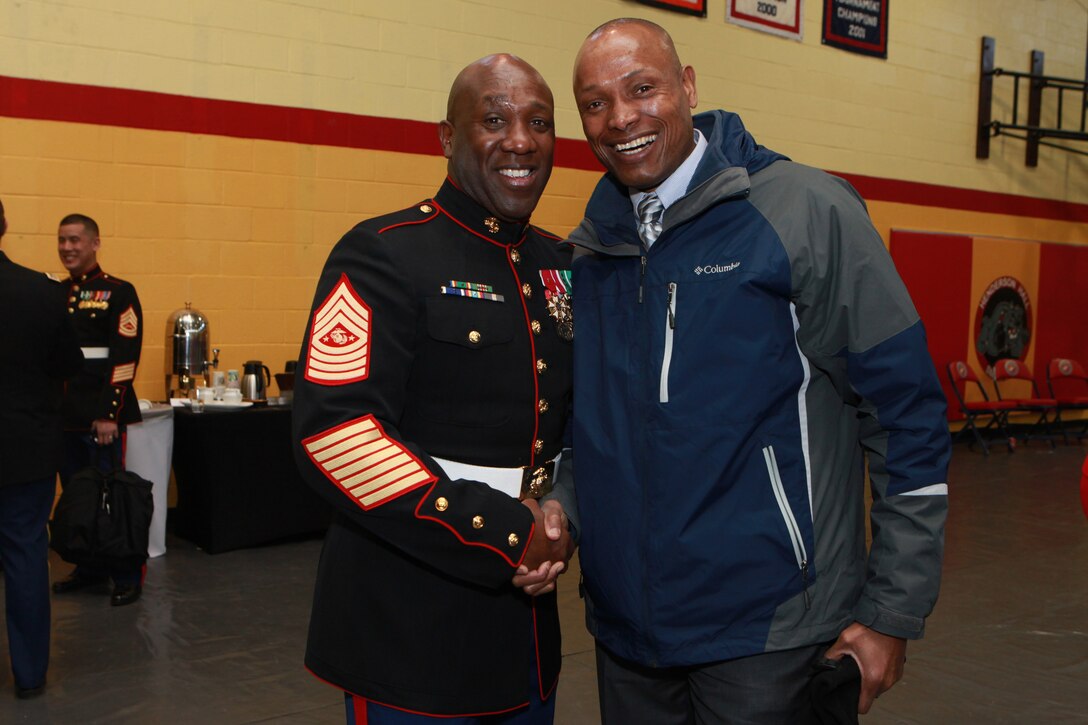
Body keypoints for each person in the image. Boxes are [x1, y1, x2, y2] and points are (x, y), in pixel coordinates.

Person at [566, 18, 950, 723]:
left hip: (771, 635)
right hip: (628, 639)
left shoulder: (804, 210)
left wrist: (895, 609)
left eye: (642, 88)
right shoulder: (595, 249)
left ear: (687, 87)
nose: (621, 118)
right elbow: (595, 432)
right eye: (595, 102)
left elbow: (908, 416)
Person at [292, 54, 575, 724]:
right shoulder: (383, 253)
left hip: (528, 636)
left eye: (540, 122)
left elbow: (578, 423)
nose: (521, 141)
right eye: (496, 119)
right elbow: (335, 434)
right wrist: (506, 532)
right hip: (407, 635)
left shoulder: (559, 265)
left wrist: (562, 513)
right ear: (447, 138)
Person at [0, 198, 84, 698]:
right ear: (4, 225)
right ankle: (29, 675)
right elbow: (68, 365)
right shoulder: (41, 291)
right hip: (24, 448)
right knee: (26, 558)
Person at [51, 213, 146, 607]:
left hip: (99, 418)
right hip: (64, 418)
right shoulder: (54, 293)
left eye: (75, 240)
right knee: (78, 498)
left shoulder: (118, 292)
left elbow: (124, 358)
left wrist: (109, 412)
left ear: (94, 243)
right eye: (62, 240)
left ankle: (125, 574)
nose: (68, 248)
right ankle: (88, 567)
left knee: (112, 498)